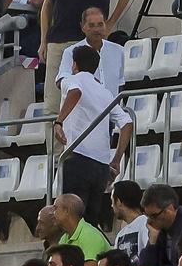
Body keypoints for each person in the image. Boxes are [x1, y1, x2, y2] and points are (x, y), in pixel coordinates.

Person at [55, 45, 128, 231]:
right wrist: (117, 159)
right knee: (90, 221)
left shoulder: (72, 79)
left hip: (77, 157)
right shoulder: (105, 92)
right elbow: (127, 124)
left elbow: (75, 92)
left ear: (74, 65)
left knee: (69, 218)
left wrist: (59, 121)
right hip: (101, 165)